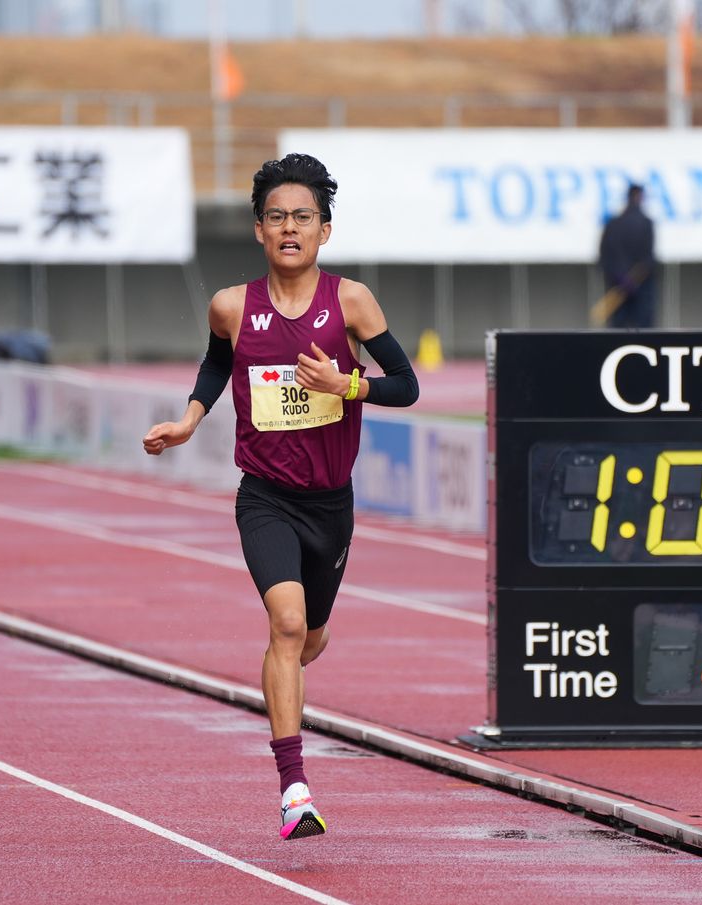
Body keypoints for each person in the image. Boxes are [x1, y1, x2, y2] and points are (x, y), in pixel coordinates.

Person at [142, 153, 419, 841]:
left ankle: (284, 674)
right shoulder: (231, 306)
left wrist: (347, 386)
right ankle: (295, 788)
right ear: (259, 231)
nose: (288, 228)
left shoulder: (350, 302)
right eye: (276, 217)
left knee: (310, 635)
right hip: (264, 497)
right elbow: (215, 360)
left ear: (324, 230)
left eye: (302, 217)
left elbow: (406, 384)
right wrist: (188, 419)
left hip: (331, 503)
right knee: (287, 625)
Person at [597, 182, 657, 328]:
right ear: (639, 197)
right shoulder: (645, 223)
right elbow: (648, 258)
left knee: (617, 333)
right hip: (636, 286)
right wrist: (629, 280)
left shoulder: (613, 223)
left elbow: (604, 257)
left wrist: (622, 277)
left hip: (619, 283)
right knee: (644, 333)